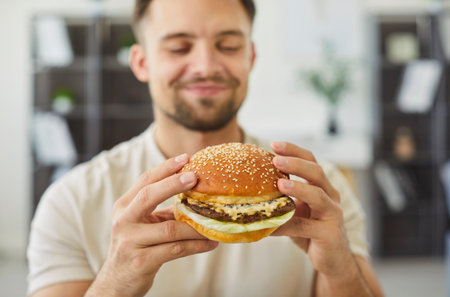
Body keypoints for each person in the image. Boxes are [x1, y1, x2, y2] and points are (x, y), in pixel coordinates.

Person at [27, 0, 384, 296]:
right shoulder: (71, 200)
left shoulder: (317, 190)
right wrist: (116, 281)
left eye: (228, 45)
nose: (206, 66)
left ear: (251, 58)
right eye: (179, 47)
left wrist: (339, 269)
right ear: (141, 62)